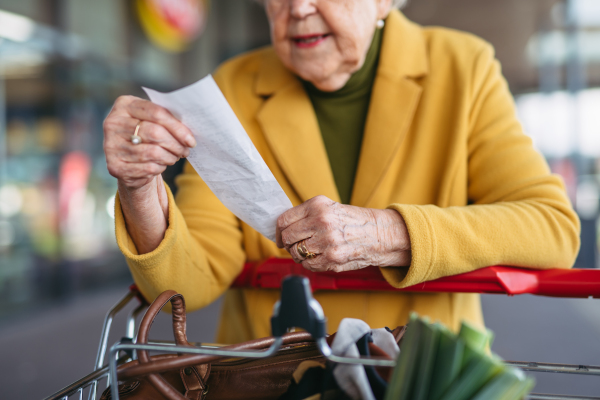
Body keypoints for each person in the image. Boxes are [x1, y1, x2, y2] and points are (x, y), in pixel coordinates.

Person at [103, 0, 580, 344]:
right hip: (269, 378)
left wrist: (387, 233)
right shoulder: (234, 88)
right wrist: (140, 187)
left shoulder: (463, 66)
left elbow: (551, 229)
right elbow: (187, 282)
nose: (299, 8)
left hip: (415, 378)